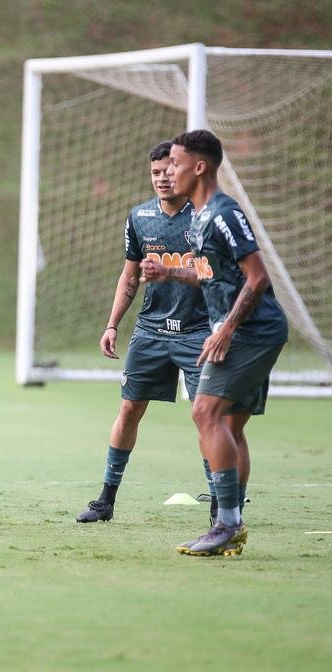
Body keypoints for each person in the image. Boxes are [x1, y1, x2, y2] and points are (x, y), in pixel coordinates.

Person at [142, 129, 287, 556]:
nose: (169, 171)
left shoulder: (224, 212)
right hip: (243, 329)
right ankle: (230, 521)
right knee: (230, 424)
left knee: (205, 412)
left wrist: (224, 329)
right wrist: (170, 273)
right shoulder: (200, 217)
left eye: (176, 164)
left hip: (251, 331)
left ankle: (225, 523)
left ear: (199, 167)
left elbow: (257, 278)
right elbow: (213, 275)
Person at [76, 141, 215, 523]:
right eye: (155, 173)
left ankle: (221, 503)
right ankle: (106, 500)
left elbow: (219, 276)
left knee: (207, 415)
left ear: (182, 171)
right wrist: (111, 324)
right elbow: (129, 274)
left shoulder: (203, 217)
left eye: (168, 172)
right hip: (151, 331)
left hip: (197, 332)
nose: (162, 179)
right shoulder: (139, 217)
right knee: (129, 408)